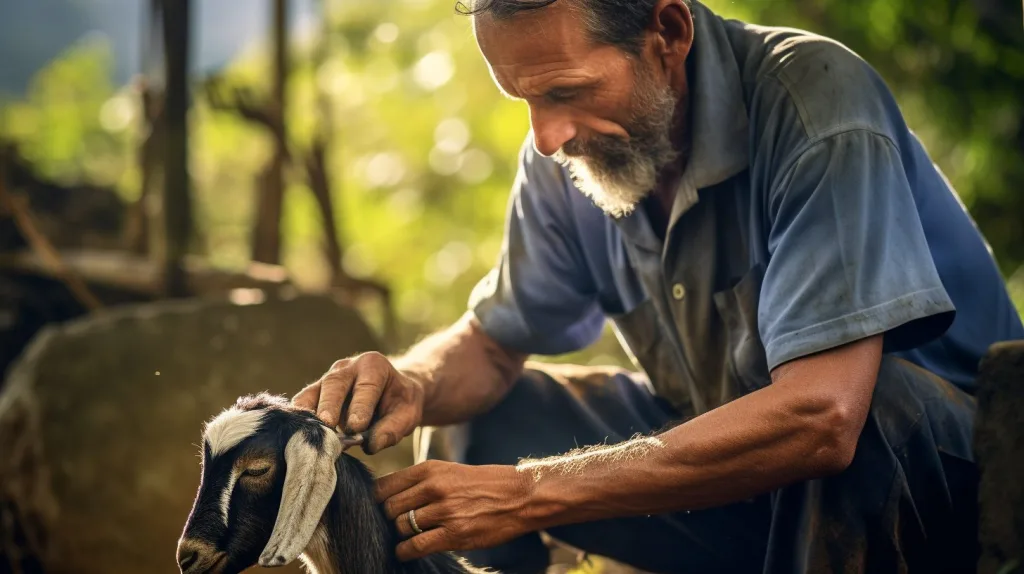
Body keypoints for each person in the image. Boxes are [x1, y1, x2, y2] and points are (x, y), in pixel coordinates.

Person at [292, 0, 1024, 572]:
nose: (545, 136)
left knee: (870, 409)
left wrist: (529, 492)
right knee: (487, 417)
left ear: (668, 32)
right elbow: (493, 342)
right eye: (522, 99)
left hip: (934, 490)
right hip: (745, 487)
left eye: (564, 90)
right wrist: (413, 380)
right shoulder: (569, 150)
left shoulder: (816, 105)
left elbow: (823, 420)